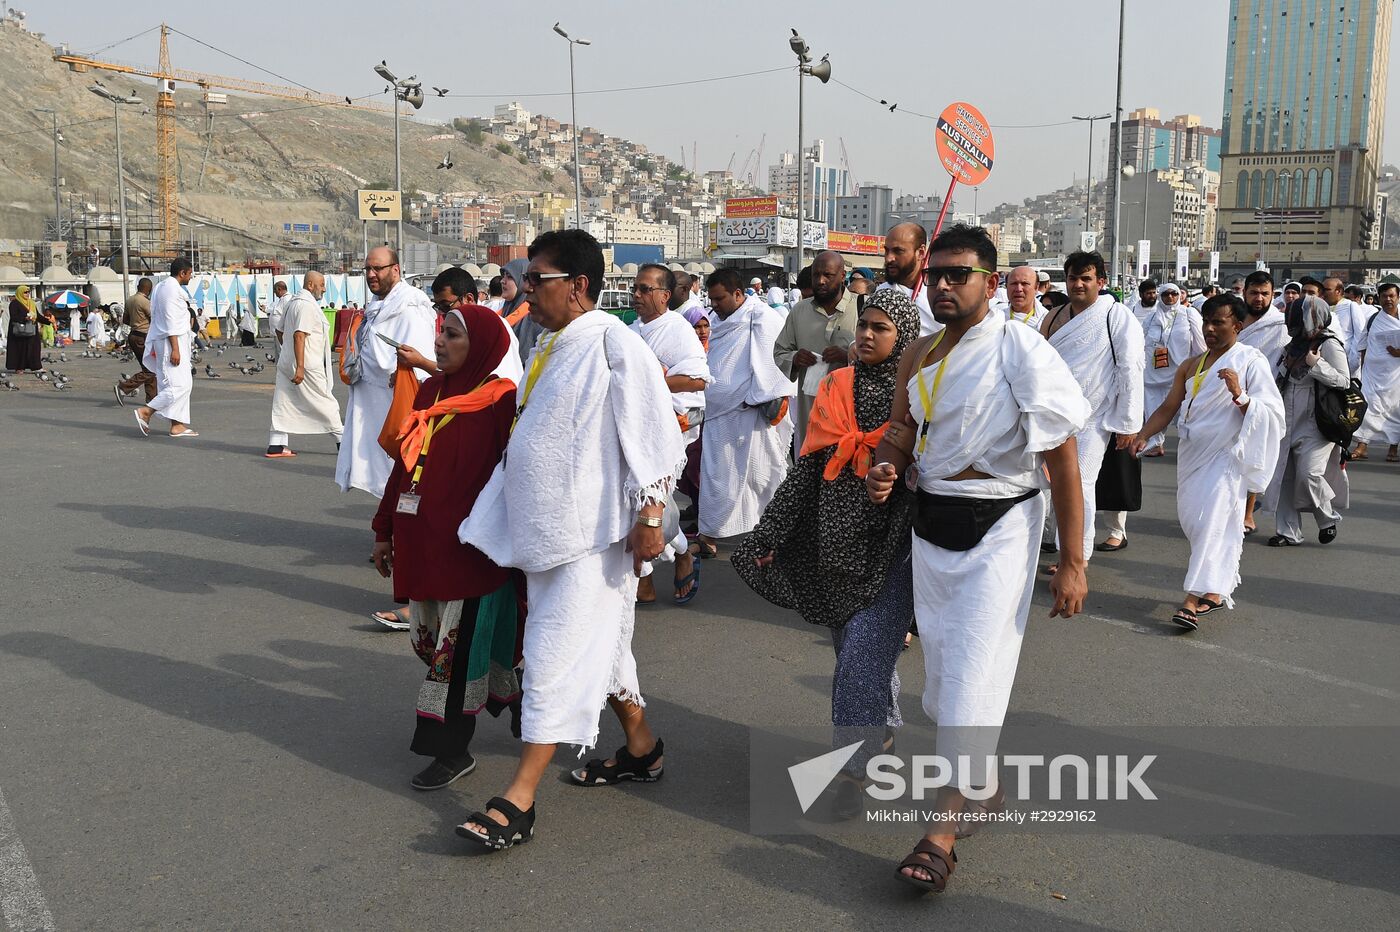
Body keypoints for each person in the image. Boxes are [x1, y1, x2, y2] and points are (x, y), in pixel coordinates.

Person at [864, 224, 1091, 893]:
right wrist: (887, 463)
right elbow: (905, 429)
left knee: (969, 677)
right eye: (934, 274)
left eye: (958, 274)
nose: (941, 284)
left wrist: (1074, 559)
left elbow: (1063, 457)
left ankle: (939, 834)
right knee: (947, 677)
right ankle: (981, 784)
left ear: (991, 284)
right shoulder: (918, 353)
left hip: (1002, 523)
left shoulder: (1019, 348)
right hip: (932, 524)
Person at [457, 229, 685, 851]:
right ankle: (642, 748)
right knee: (603, 647)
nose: (526, 291)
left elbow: (656, 433)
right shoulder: (553, 344)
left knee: (555, 651)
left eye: (537, 280)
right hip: (547, 529)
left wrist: (652, 516)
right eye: (526, 280)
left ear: (578, 286)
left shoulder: (614, 342)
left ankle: (520, 795)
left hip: (592, 536)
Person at [734, 288, 921, 797]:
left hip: (892, 543)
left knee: (862, 650)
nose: (865, 335)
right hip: (835, 541)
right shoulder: (837, 384)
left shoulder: (918, 394)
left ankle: (855, 765)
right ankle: (881, 733)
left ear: (904, 336)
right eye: (865, 325)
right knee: (854, 651)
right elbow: (810, 467)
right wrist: (767, 532)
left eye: (881, 328)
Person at [372, 305, 523, 791]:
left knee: (453, 656)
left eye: (452, 335)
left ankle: (450, 748)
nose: (439, 342)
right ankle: (527, 709)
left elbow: (517, 481)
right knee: (437, 644)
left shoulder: (501, 403)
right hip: (424, 546)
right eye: (441, 333)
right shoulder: (433, 391)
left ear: (478, 346)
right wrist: (383, 530)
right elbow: (404, 467)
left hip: (470, 554)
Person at [1130, 294, 1285, 629]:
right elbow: (1169, 407)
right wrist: (1144, 434)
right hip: (1192, 457)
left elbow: (1272, 413)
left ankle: (1191, 598)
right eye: (1207, 322)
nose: (1210, 329)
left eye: (1219, 323)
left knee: (1213, 523)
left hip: (1226, 458)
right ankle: (1214, 592)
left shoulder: (1251, 361)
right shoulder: (1191, 365)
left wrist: (1240, 395)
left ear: (1238, 326)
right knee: (1197, 524)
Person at [1040, 251, 1144, 570]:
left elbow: (1130, 368)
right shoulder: (1053, 316)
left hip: (1093, 418)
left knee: (1080, 483)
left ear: (1101, 282)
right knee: (1050, 484)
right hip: (1053, 414)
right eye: (1073, 278)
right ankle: (1060, 547)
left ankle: (1078, 556)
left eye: (1086, 278)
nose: (1079, 284)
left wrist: (1127, 423)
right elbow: (1039, 364)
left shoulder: (1117, 316)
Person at [695, 267, 796, 558]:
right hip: (720, 417)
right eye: (711, 299)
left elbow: (775, 362)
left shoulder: (762, 318)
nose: (714, 305)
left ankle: (773, 537)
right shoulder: (719, 320)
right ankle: (709, 534)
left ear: (738, 294)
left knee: (763, 477)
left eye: (720, 298)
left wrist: (756, 396)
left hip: (752, 417)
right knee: (717, 478)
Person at [628, 263, 710, 604]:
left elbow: (697, 380)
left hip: (672, 427)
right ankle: (653, 568)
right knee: (631, 500)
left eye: (645, 289)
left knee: (654, 498)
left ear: (665, 295)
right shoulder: (631, 330)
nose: (637, 295)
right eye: (636, 288)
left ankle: (677, 555)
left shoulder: (676, 328)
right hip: (633, 425)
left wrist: (651, 380)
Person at [1264, 296, 1351, 547]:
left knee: (1309, 474)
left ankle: (1327, 519)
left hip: (1316, 422)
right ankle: (1288, 532)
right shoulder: (1291, 345)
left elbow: (1344, 381)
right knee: (1284, 477)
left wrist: (1317, 365)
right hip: (1286, 419)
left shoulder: (1329, 344)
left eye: (1298, 315)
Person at [773, 250, 858, 455]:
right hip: (810, 410)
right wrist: (795, 358)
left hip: (851, 412)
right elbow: (780, 351)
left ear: (842, 275)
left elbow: (880, 358)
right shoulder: (799, 311)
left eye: (827, 275)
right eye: (816, 275)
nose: (820, 281)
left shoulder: (862, 307)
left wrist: (847, 356)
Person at [266, 272, 343, 458]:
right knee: (324, 401)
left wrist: (288, 353)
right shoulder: (306, 306)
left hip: (289, 362)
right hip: (307, 364)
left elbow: (279, 330)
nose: (324, 289)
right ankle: (344, 441)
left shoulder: (293, 302)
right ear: (310, 285)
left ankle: (276, 444)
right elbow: (299, 335)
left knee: (283, 401)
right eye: (322, 284)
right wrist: (300, 366)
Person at [1237, 270, 1289, 533]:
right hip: (1228, 396)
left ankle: (1247, 513)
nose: (1259, 298)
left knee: (1253, 454)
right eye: (1254, 293)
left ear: (1272, 295)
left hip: (1262, 399)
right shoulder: (1233, 320)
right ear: (1244, 293)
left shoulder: (1281, 326)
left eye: (1264, 294)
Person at [1137, 283, 1205, 457]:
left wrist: (1204, 365)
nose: (1170, 298)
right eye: (1165, 294)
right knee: (1152, 405)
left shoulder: (1189, 315)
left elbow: (1199, 343)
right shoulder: (1152, 317)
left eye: (1174, 294)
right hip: (1154, 370)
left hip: (1180, 370)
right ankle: (1155, 443)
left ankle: (1193, 443)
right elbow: (1141, 342)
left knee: (1184, 409)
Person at [134, 259, 199, 438]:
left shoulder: (162, 286)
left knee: (172, 383)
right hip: (171, 342)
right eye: (190, 273)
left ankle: (177, 425)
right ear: (183, 273)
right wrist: (175, 349)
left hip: (167, 340)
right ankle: (146, 411)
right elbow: (171, 320)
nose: (191, 277)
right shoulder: (171, 289)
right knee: (181, 385)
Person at [1350, 281, 1400, 462]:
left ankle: (1393, 448)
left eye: (1391, 296)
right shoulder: (1373, 319)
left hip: (1396, 375)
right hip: (1373, 374)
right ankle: (1362, 446)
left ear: (1398, 297)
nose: (1388, 299)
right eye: (1384, 296)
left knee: (1395, 410)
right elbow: (1362, 344)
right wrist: (1363, 368)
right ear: (1379, 297)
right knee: (1370, 408)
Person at [877, 222, 936, 335]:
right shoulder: (881, 293)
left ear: (921, 252)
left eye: (898, 251)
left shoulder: (938, 292)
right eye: (887, 250)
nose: (889, 258)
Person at [115, 279, 156, 404]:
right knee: (151, 369)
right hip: (143, 337)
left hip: (133, 336)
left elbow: (126, 320)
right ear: (149, 289)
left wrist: (136, 321)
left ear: (138, 286)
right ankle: (123, 388)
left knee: (149, 367)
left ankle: (151, 399)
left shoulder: (130, 300)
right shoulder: (145, 302)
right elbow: (154, 320)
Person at [1321, 276, 1373, 374]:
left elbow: (1360, 336)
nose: (1323, 293)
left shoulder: (1350, 306)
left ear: (1339, 291)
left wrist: (1352, 363)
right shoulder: (1323, 307)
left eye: (1327, 290)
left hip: (1348, 362)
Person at [5, 285, 41, 373]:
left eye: (28, 292)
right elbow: (14, 316)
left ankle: (36, 366)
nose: (27, 294)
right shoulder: (14, 303)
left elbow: (37, 315)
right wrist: (24, 318)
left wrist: (47, 321)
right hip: (19, 331)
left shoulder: (31, 303)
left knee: (34, 348)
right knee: (20, 349)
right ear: (20, 293)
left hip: (31, 329)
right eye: (25, 292)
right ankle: (19, 367)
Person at [1004, 265, 1048, 331]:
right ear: (1006, 286)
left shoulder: (1046, 321)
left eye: (1025, 284)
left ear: (1036, 287)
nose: (1018, 289)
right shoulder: (997, 318)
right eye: (1014, 283)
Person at [267, 281, 290, 350]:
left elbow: (286, 314)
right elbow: (277, 311)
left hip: (281, 332)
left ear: (279, 289)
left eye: (275, 291)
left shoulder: (286, 299)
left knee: (281, 352)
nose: (275, 293)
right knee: (278, 352)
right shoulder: (282, 299)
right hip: (277, 332)